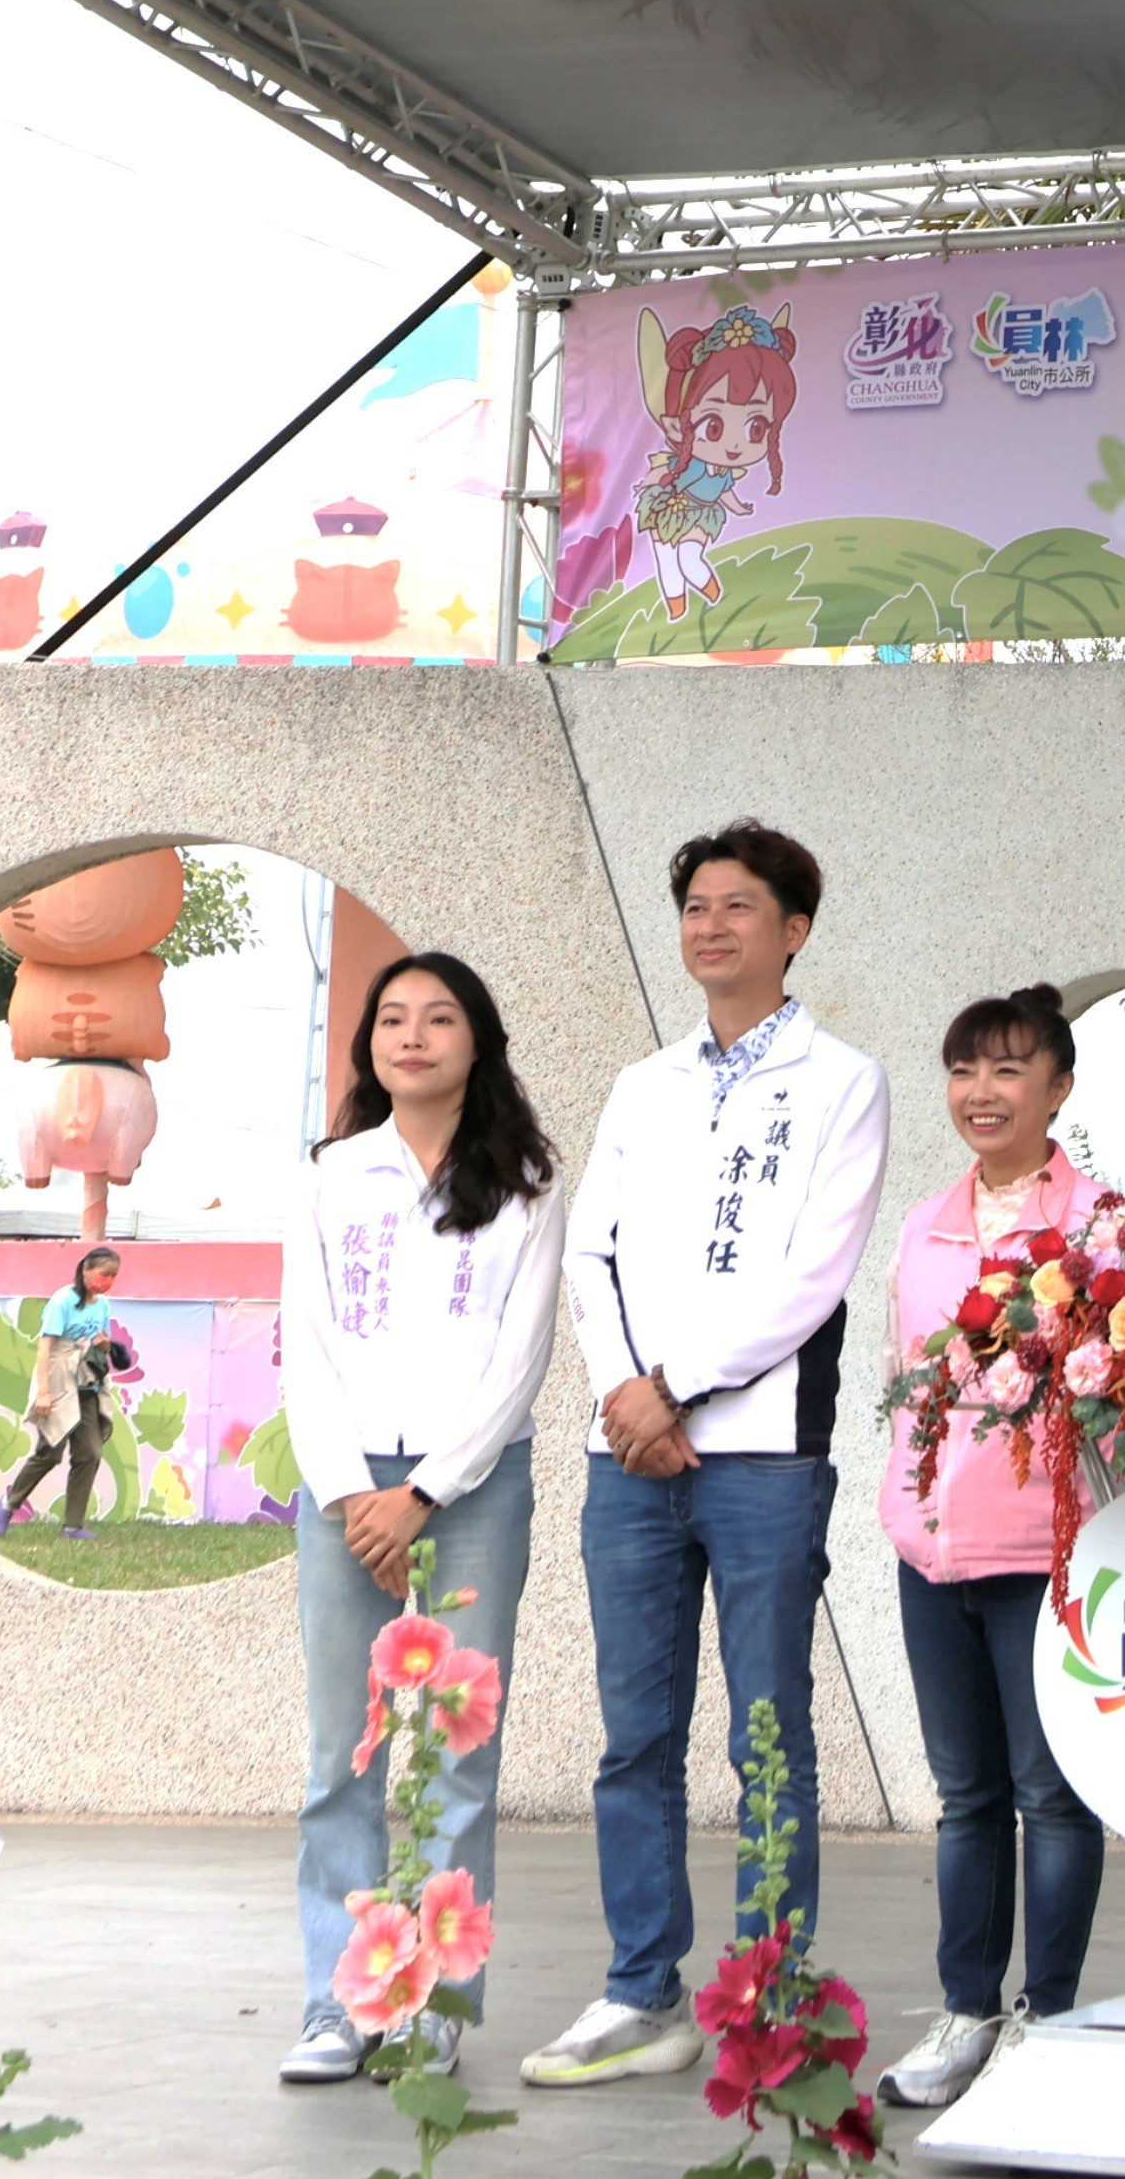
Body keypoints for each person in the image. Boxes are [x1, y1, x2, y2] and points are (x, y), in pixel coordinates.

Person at [526, 821, 890, 2090]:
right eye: (694, 906)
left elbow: (812, 1278)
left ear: (794, 931)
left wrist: (671, 1387)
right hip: (626, 1456)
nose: (711, 926)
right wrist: (625, 1395)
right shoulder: (644, 1084)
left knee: (767, 1736)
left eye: (738, 906)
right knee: (634, 1740)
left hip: (761, 1457)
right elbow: (589, 1251)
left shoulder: (844, 1081)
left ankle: (768, 1999)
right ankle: (643, 1994)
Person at [276, 952, 566, 2085]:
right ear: (370, 1047)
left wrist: (426, 1491)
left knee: (457, 1752)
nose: (411, 1036)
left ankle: (434, 2001)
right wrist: (355, 1493)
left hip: (471, 1490)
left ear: (475, 1041)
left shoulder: (527, 1181)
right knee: (342, 1755)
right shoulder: (330, 1174)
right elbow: (308, 1344)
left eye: (438, 1018)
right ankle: (339, 2003)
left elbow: (520, 1359)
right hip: (345, 1493)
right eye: (391, 1019)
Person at [873, 985, 1112, 2109]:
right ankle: (966, 2012)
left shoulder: (1101, 1229)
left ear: (1057, 1089)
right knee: (965, 1797)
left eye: (1009, 1070)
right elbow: (900, 1378)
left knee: (1050, 1796)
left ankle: (1046, 2019)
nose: (981, 1092)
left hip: (1044, 1552)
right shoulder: (926, 1223)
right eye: (965, 1069)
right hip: (932, 1550)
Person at [0, 1247, 125, 1539]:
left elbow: (102, 1341)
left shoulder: (103, 1305)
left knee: (90, 1453)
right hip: (59, 1381)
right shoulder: (62, 1301)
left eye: (114, 1276)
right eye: (104, 1274)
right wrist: (44, 1392)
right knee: (49, 1453)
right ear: (86, 1270)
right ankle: (8, 1503)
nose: (108, 1281)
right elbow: (45, 1348)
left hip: (87, 1383)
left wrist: (105, 1346)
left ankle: (73, 1525)